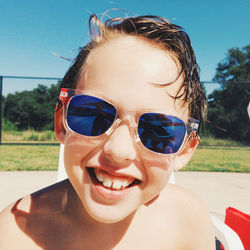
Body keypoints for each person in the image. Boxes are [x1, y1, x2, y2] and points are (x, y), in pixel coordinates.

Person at [0, 13, 215, 249]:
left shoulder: (188, 221)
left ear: (184, 151)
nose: (118, 150)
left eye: (158, 130)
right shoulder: (14, 235)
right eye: (94, 115)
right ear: (62, 123)